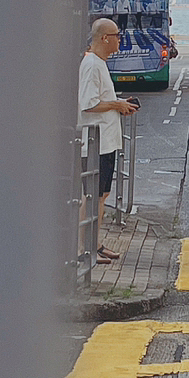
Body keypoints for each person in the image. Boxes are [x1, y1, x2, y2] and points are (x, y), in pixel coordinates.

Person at [78, 18, 138, 263]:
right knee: (92, 196)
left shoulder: (98, 64)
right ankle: (84, 249)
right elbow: (88, 104)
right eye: (116, 36)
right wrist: (117, 104)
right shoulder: (92, 65)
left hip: (106, 142)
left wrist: (119, 104)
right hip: (96, 143)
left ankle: (95, 245)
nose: (120, 40)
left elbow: (100, 100)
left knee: (101, 195)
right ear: (104, 38)